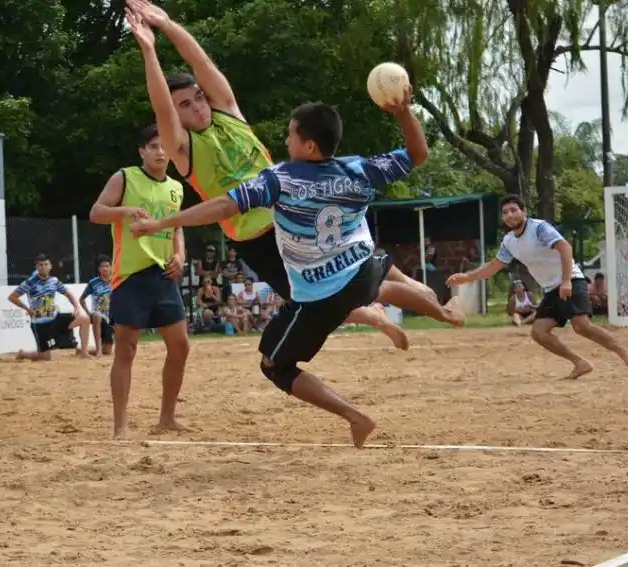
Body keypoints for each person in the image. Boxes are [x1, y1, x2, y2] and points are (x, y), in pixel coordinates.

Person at [123, 0, 464, 339]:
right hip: (258, 238)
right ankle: (387, 315)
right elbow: (160, 105)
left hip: (293, 212)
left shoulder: (227, 110)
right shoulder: (182, 147)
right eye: (184, 104)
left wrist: (167, 24)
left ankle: (429, 305)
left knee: (364, 280)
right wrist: (149, 51)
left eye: (198, 97)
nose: (197, 106)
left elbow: (201, 61)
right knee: (330, 295)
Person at [133, 100, 424, 447]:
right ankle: (420, 305)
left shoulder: (281, 178)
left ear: (309, 145)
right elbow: (417, 153)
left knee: (275, 365)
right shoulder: (356, 169)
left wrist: (163, 223)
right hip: (353, 269)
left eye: (290, 135)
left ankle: (355, 416)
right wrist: (404, 111)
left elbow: (225, 205)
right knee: (372, 280)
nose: (285, 141)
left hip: (315, 292)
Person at [447, 195, 628, 380]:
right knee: (539, 332)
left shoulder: (539, 228)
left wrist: (566, 281)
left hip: (572, 280)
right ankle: (580, 363)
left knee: (581, 326)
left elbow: (565, 248)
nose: (509, 215)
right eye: (505, 212)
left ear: (524, 211)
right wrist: (466, 277)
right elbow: (493, 267)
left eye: (513, 210)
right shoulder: (509, 241)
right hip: (551, 289)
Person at [89, 124, 190, 439]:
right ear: (142, 152)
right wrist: (127, 210)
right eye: (154, 147)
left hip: (163, 275)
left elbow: (176, 226)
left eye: (165, 147)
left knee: (180, 346)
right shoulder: (126, 177)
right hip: (130, 276)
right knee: (126, 349)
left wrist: (180, 255)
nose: (161, 152)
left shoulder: (176, 187)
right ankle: (121, 426)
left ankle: (167, 418)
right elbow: (96, 213)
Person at [8, 254, 90, 361]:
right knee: (45, 357)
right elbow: (12, 297)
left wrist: (76, 307)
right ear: (37, 267)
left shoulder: (54, 281)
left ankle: (84, 353)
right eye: (40, 265)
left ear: (50, 266)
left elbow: (68, 294)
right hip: (40, 324)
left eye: (46, 264)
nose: (43, 267)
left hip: (55, 319)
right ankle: (23, 353)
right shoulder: (30, 282)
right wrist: (27, 309)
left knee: (85, 319)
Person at [79, 255, 115, 356]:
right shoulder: (93, 283)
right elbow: (82, 299)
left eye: (107, 266)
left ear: (111, 267)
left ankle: (84, 351)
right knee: (97, 316)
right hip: (98, 314)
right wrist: (88, 313)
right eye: (102, 266)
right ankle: (98, 350)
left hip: (111, 316)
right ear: (99, 269)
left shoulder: (115, 281)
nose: (105, 269)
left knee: (107, 351)